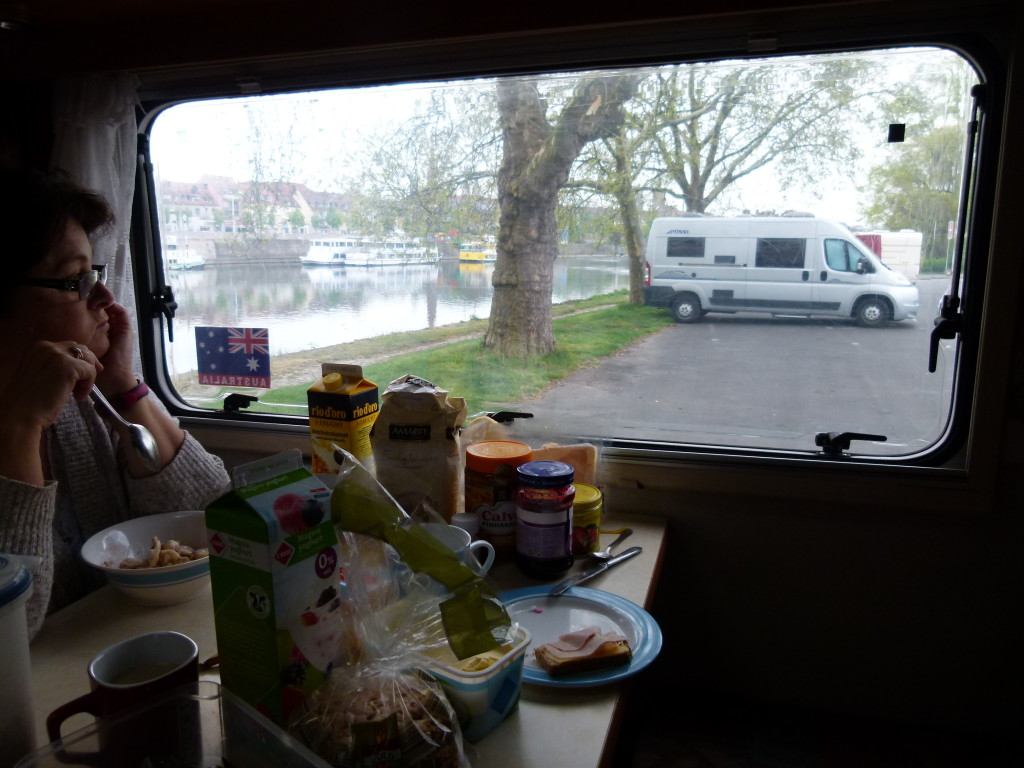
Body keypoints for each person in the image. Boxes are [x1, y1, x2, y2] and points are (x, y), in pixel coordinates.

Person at [0, 167, 230, 638]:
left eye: (95, 273)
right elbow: (13, 626)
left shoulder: (79, 400)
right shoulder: (33, 413)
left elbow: (215, 511)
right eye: (76, 280)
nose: (104, 296)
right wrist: (20, 428)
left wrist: (123, 384)